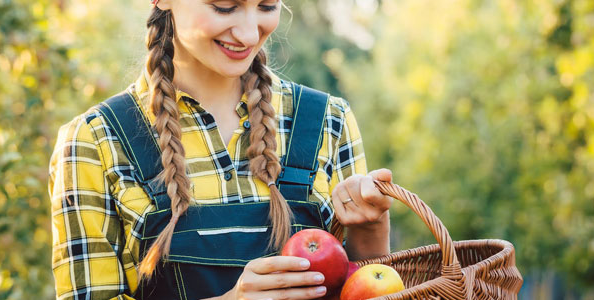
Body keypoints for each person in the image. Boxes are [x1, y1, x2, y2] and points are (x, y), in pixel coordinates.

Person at [48, 0, 393, 299]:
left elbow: (366, 284)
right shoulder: (94, 141)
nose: (247, 34)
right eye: (224, 7)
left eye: (266, 6)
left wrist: (370, 227)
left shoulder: (327, 120)